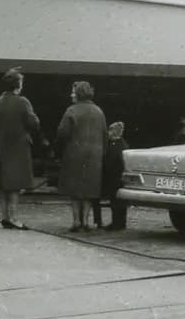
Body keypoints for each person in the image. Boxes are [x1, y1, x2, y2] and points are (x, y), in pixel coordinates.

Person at [0, 68, 41, 230]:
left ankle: (5, 217)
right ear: (17, 84)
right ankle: (14, 218)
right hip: (19, 148)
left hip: (2, 147)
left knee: (3, 184)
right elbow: (34, 124)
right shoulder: (23, 102)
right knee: (16, 185)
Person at [55, 80, 106, 232]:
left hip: (74, 153)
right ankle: (86, 221)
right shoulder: (99, 111)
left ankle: (76, 221)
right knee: (89, 189)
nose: (71, 94)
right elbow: (104, 135)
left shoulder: (71, 110)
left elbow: (62, 133)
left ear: (78, 94)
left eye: (73, 91)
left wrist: (59, 149)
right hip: (94, 155)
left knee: (75, 189)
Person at [94, 121, 129, 231]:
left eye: (110, 130)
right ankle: (118, 222)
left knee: (117, 201)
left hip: (116, 177)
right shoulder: (118, 144)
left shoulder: (118, 145)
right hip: (113, 176)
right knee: (116, 201)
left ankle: (118, 223)